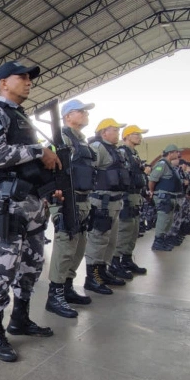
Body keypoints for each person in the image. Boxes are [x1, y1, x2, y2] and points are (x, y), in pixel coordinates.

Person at [0, 61, 61, 363]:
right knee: (1, 271)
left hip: (33, 203)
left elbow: (29, 164)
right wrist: (40, 151)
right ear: (2, 84)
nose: (28, 82)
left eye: (29, 78)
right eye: (20, 77)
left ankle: (20, 318)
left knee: (32, 266)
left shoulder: (20, 117)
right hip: (9, 204)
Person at [44, 99, 95, 319]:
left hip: (83, 199)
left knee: (79, 247)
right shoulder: (60, 139)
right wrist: (52, 194)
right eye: (80, 112)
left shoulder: (81, 141)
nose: (85, 114)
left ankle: (66, 287)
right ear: (67, 116)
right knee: (65, 247)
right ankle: (54, 295)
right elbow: (45, 166)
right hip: (66, 199)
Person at [84, 118, 129, 295]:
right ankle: (92, 277)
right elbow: (89, 172)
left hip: (115, 202)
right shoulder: (97, 148)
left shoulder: (114, 150)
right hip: (101, 203)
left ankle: (102, 272)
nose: (118, 133)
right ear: (104, 132)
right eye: (115, 130)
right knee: (98, 240)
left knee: (110, 241)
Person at [113, 125, 149, 277]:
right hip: (126, 196)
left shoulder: (134, 154)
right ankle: (115, 262)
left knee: (134, 230)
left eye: (140, 134)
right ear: (126, 136)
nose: (139, 137)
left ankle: (127, 259)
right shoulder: (122, 152)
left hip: (136, 196)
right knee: (124, 230)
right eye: (136, 134)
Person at [148, 144, 183, 251]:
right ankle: (157, 242)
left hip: (170, 197)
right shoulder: (162, 164)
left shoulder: (169, 166)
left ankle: (163, 240)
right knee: (163, 220)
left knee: (168, 220)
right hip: (163, 197)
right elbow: (152, 180)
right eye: (177, 152)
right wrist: (152, 191)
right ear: (171, 152)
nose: (178, 154)